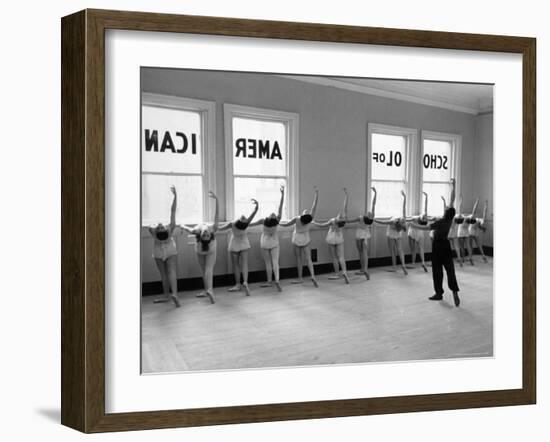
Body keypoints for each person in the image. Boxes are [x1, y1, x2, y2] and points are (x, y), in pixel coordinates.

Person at [412, 178, 460, 307]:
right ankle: (455, 290)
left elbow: (425, 228)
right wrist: (454, 186)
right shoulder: (449, 220)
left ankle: (439, 293)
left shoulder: (440, 223)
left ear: (446, 212)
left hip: (438, 246)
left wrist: (413, 225)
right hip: (446, 246)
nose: (445, 208)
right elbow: (452, 200)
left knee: (437, 270)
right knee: (450, 270)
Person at [181, 191, 219, 304]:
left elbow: (185, 227)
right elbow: (216, 215)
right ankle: (208, 290)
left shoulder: (196, 231)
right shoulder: (212, 229)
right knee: (206, 270)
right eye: (206, 234)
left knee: (207, 270)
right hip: (201, 249)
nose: (206, 232)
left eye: (205, 234)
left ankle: (209, 290)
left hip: (209, 249)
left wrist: (181, 225)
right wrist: (217, 200)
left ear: (200, 235)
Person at [147, 185, 181, 308]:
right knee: (171, 272)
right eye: (161, 227)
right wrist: (176, 197)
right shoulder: (170, 229)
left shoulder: (153, 232)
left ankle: (167, 295)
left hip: (158, 252)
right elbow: (172, 211)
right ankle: (174, 295)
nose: (161, 225)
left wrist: (156, 229)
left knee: (164, 274)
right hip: (170, 250)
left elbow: (149, 227)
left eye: (160, 226)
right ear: (165, 230)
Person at [218, 199, 259, 296]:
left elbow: (220, 228)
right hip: (244, 244)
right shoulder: (246, 223)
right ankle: (245, 282)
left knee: (236, 265)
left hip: (234, 245)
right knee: (244, 265)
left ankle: (238, 284)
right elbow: (254, 213)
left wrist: (212, 226)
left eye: (243, 217)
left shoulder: (232, 224)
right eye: (244, 217)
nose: (244, 216)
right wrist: (257, 206)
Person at [279, 187, 319, 287]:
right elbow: (314, 207)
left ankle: (300, 278)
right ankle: (313, 276)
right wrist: (316, 195)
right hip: (305, 239)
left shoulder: (297, 219)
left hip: (297, 239)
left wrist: (278, 223)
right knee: (308, 259)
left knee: (299, 259)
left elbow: (286, 224)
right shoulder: (310, 219)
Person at [249, 186, 285, 292]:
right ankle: (276, 280)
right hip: (274, 243)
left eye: (273, 215)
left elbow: (250, 224)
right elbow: (280, 207)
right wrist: (282, 194)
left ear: (270, 218)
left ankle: (270, 281)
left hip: (264, 243)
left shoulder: (263, 221)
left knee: (268, 263)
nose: (274, 214)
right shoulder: (277, 220)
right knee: (275, 262)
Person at [314, 188, 352, 284]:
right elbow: (345, 207)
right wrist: (346, 195)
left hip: (331, 238)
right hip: (339, 238)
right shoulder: (344, 220)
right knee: (341, 257)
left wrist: (314, 222)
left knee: (334, 257)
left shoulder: (332, 220)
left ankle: (337, 273)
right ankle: (344, 272)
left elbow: (322, 225)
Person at [375, 190, 408, 275]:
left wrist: (374, 220)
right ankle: (403, 265)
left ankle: (394, 267)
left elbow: (383, 222)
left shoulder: (393, 221)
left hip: (391, 235)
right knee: (400, 250)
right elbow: (404, 208)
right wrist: (404, 197)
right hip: (397, 235)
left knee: (392, 252)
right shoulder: (403, 221)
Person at [350, 187, 377, 280]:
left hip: (359, 234)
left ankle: (364, 269)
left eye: (369, 213)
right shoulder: (370, 219)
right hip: (365, 234)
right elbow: (374, 204)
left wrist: (342, 221)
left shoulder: (361, 217)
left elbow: (350, 221)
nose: (369, 212)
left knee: (362, 252)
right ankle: (363, 269)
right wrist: (375, 193)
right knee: (363, 252)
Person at [406, 191, 429, 272]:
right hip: (419, 233)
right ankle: (422, 262)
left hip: (413, 233)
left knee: (414, 249)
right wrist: (426, 197)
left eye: (424, 217)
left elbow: (407, 219)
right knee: (421, 249)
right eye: (424, 217)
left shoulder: (416, 218)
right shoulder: (423, 218)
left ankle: (413, 263)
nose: (424, 216)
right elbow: (426, 207)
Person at [468, 199, 489, 263]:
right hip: (474, 233)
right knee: (479, 245)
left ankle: (471, 257)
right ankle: (483, 256)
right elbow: (484, 214)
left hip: (471, 232)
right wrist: (486, 205)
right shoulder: (478, 220)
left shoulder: (475, 219)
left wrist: (477, 202)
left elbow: (474, 210)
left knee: (471, 245)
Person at [455, 195, 474, 266]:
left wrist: (461, 201)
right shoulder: (467, 219)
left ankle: (463, 258)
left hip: (460, 233)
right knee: (468, 246)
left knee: (462, 246)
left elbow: (460, 209)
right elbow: (473, 212)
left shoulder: (462, 218)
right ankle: (470, 258)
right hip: (466, 233)